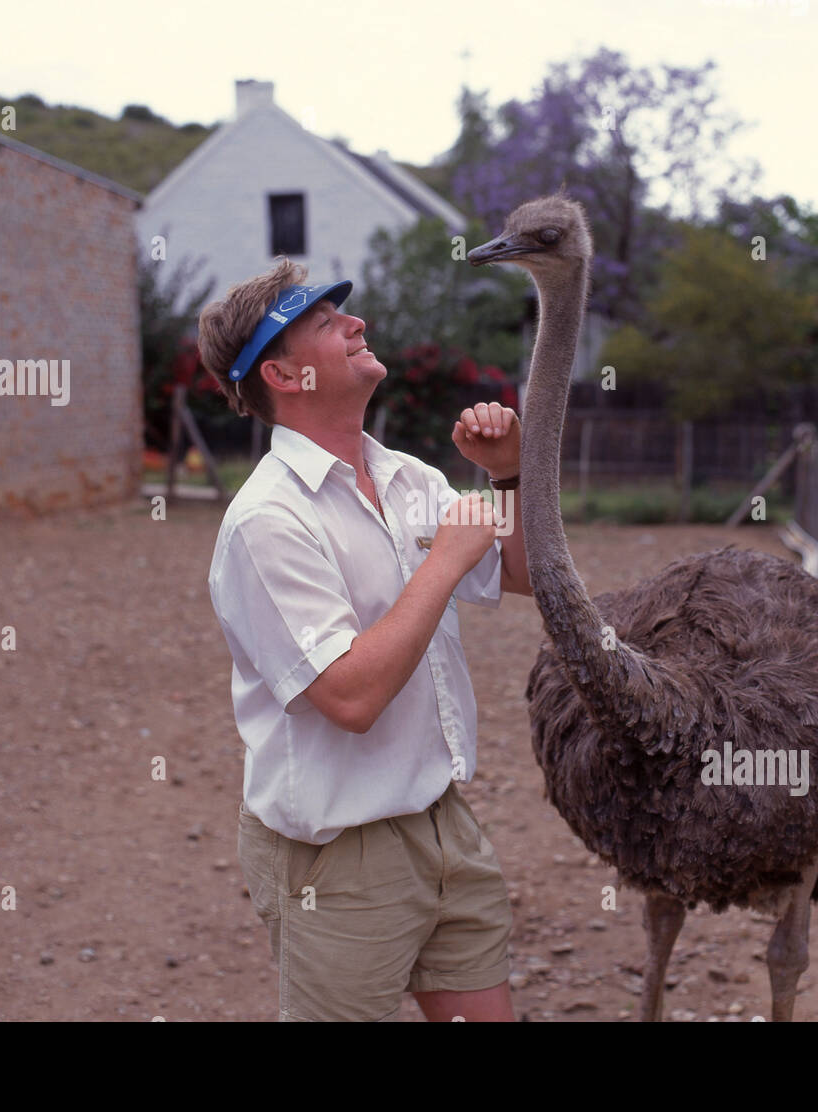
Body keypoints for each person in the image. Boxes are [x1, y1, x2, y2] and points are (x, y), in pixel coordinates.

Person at [198, 258, 533, 1022]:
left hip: (446, 823)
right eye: (325, 321)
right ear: (283, 375)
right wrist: (446, 559)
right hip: (335, 856)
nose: (357, 323)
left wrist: (510, 477)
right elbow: (349, 696)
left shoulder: (410, 478)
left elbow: (524, 577)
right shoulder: (266, 523)